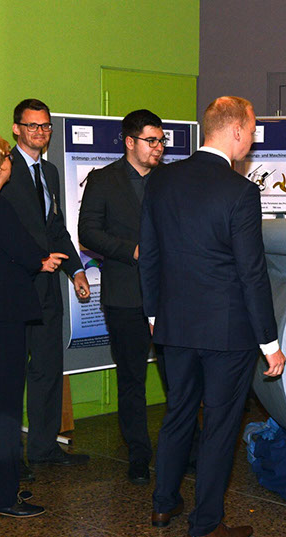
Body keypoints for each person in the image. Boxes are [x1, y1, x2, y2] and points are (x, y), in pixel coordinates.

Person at [139, 96, 286, 537]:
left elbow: (149, 254)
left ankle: (163, 504)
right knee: (220, 426)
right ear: (236, 130)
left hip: (173, 325)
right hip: (227, 332)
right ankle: (205, 525)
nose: (253, 140)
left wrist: (153, 315)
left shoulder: (161, 180)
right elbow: (252, 272)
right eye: (253, 130)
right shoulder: (240, 192)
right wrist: (270, 343)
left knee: (179, 413)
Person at [0, 132, 69, 517]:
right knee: (5, 407)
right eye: (5, 155)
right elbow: (22, 250)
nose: (10, 161)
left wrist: (37, 257)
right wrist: (43, 260)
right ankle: (2, 498)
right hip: (5, 315)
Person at [0, 99, 90, 471]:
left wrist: (77, 271)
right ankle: (6, 459)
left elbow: (55, 228)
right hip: (15, 288)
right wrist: (34, 261)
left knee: (49, 367)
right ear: (16, 128)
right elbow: (0, 232)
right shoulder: (2, 169)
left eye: (46, 126)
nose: (41, 132)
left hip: (49, 287)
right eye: (33, 125)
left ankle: (43, 446)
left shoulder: (49, 172)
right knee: (9, 373)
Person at [78, 109, 166, 484]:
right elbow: (88, 232)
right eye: (151, 141)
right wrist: (131, 250)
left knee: (178, 378)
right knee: (131, 379)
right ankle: (138, 454)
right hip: (125, 295)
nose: (158, 148)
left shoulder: (169, 179)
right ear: (130, 142)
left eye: (161, 141)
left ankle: (188, 450)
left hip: (169, 296)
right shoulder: (103, 180)